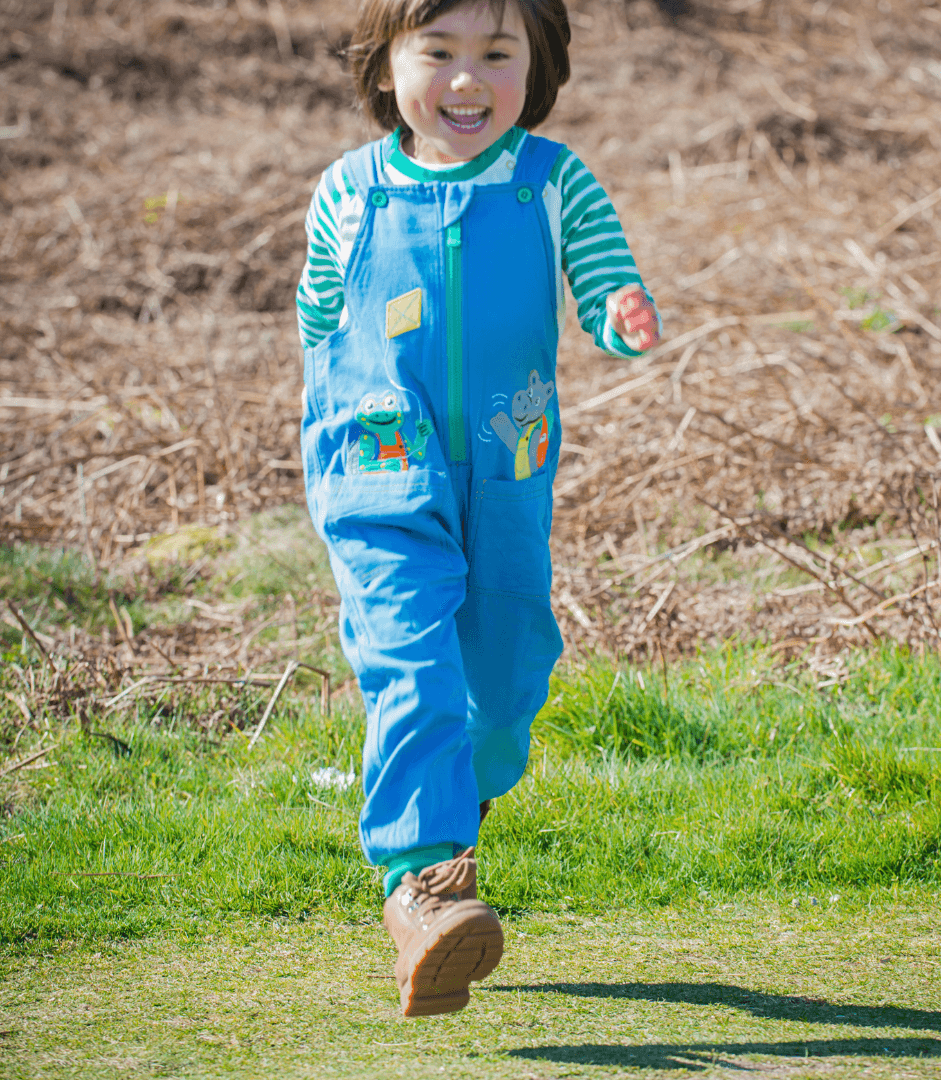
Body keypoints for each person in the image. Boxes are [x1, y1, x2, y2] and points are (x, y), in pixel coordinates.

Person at [297, 0, 660, 1017]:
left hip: (508, 467)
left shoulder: (552, 183)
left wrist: (624, 318)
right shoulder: (350, 190)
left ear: (535, 65)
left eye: (496, 54)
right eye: (439, 53)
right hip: (379, 466)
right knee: (412, 660)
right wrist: (336, 429)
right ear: (386, 67)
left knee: (501, 687)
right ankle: (421, 886)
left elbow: (605, 282)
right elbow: (319, 313)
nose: (467, 80)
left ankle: (462, 803)